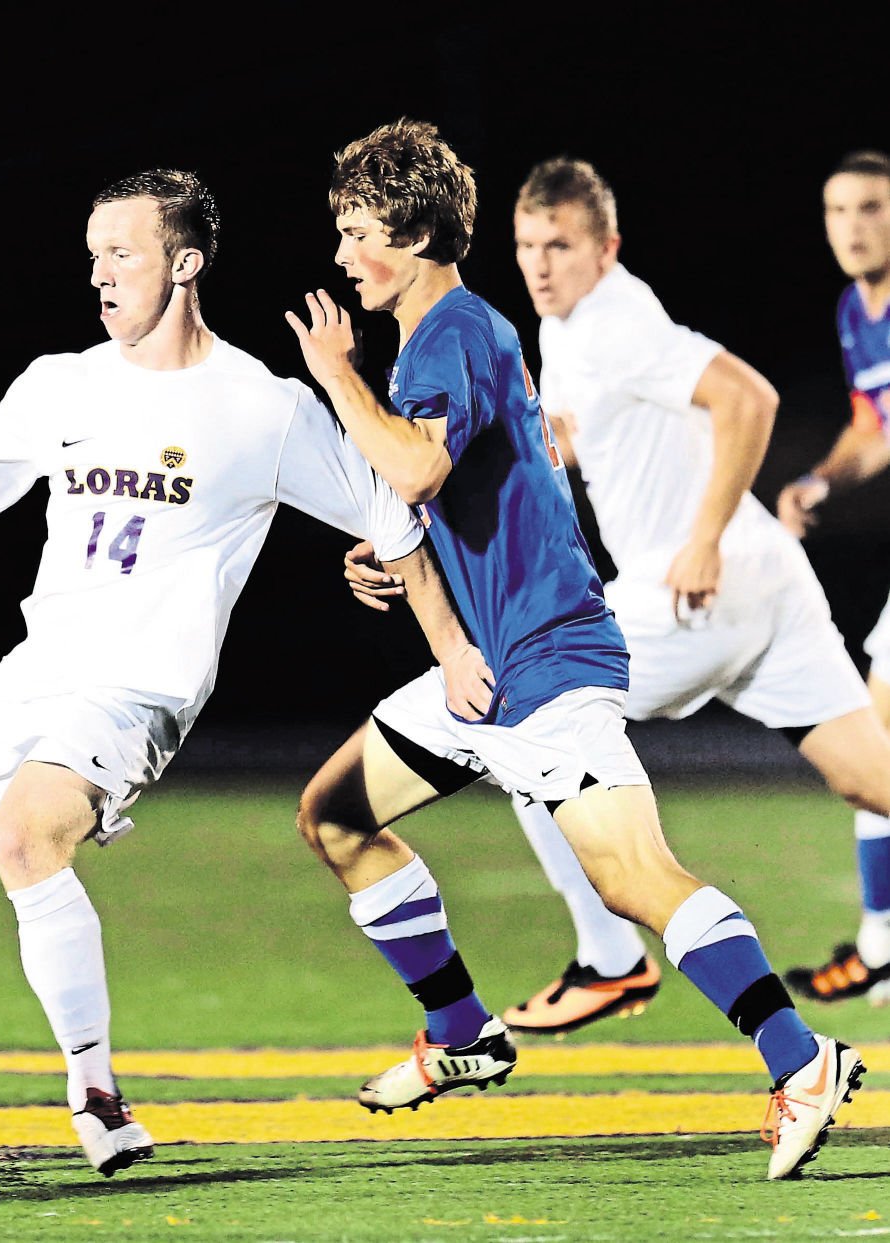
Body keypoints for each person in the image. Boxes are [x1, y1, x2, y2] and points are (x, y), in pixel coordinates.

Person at [0, 168, 491, 1186]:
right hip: (35, 673)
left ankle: (96, 1095)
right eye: (92, 252)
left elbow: (390, 512)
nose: (98, 273)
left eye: (121, 252)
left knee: (24, 834)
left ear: (184, 263)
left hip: (137, 687)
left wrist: (444, 643)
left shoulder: (258, 407)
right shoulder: (64, 384)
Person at [286, 118, 863, 1180]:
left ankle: (800, 1058)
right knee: (333, 813)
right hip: (481, 673)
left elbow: (413, 469)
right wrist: (385, 562)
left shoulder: (454, 326)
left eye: (353, 229)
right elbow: (433, 496)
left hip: (542, 665)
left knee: (634, 875)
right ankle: (461, 1031)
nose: (338, 254)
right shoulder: (440, 340)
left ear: (410, 233)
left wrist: (334, 378)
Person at [775, 150, 890, 1004]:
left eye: (872, 208)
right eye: (838, 209)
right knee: (873, 741)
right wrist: (821, 478)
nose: (853, 226)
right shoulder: (857, 311)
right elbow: (871, 426)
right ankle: (884, 942)